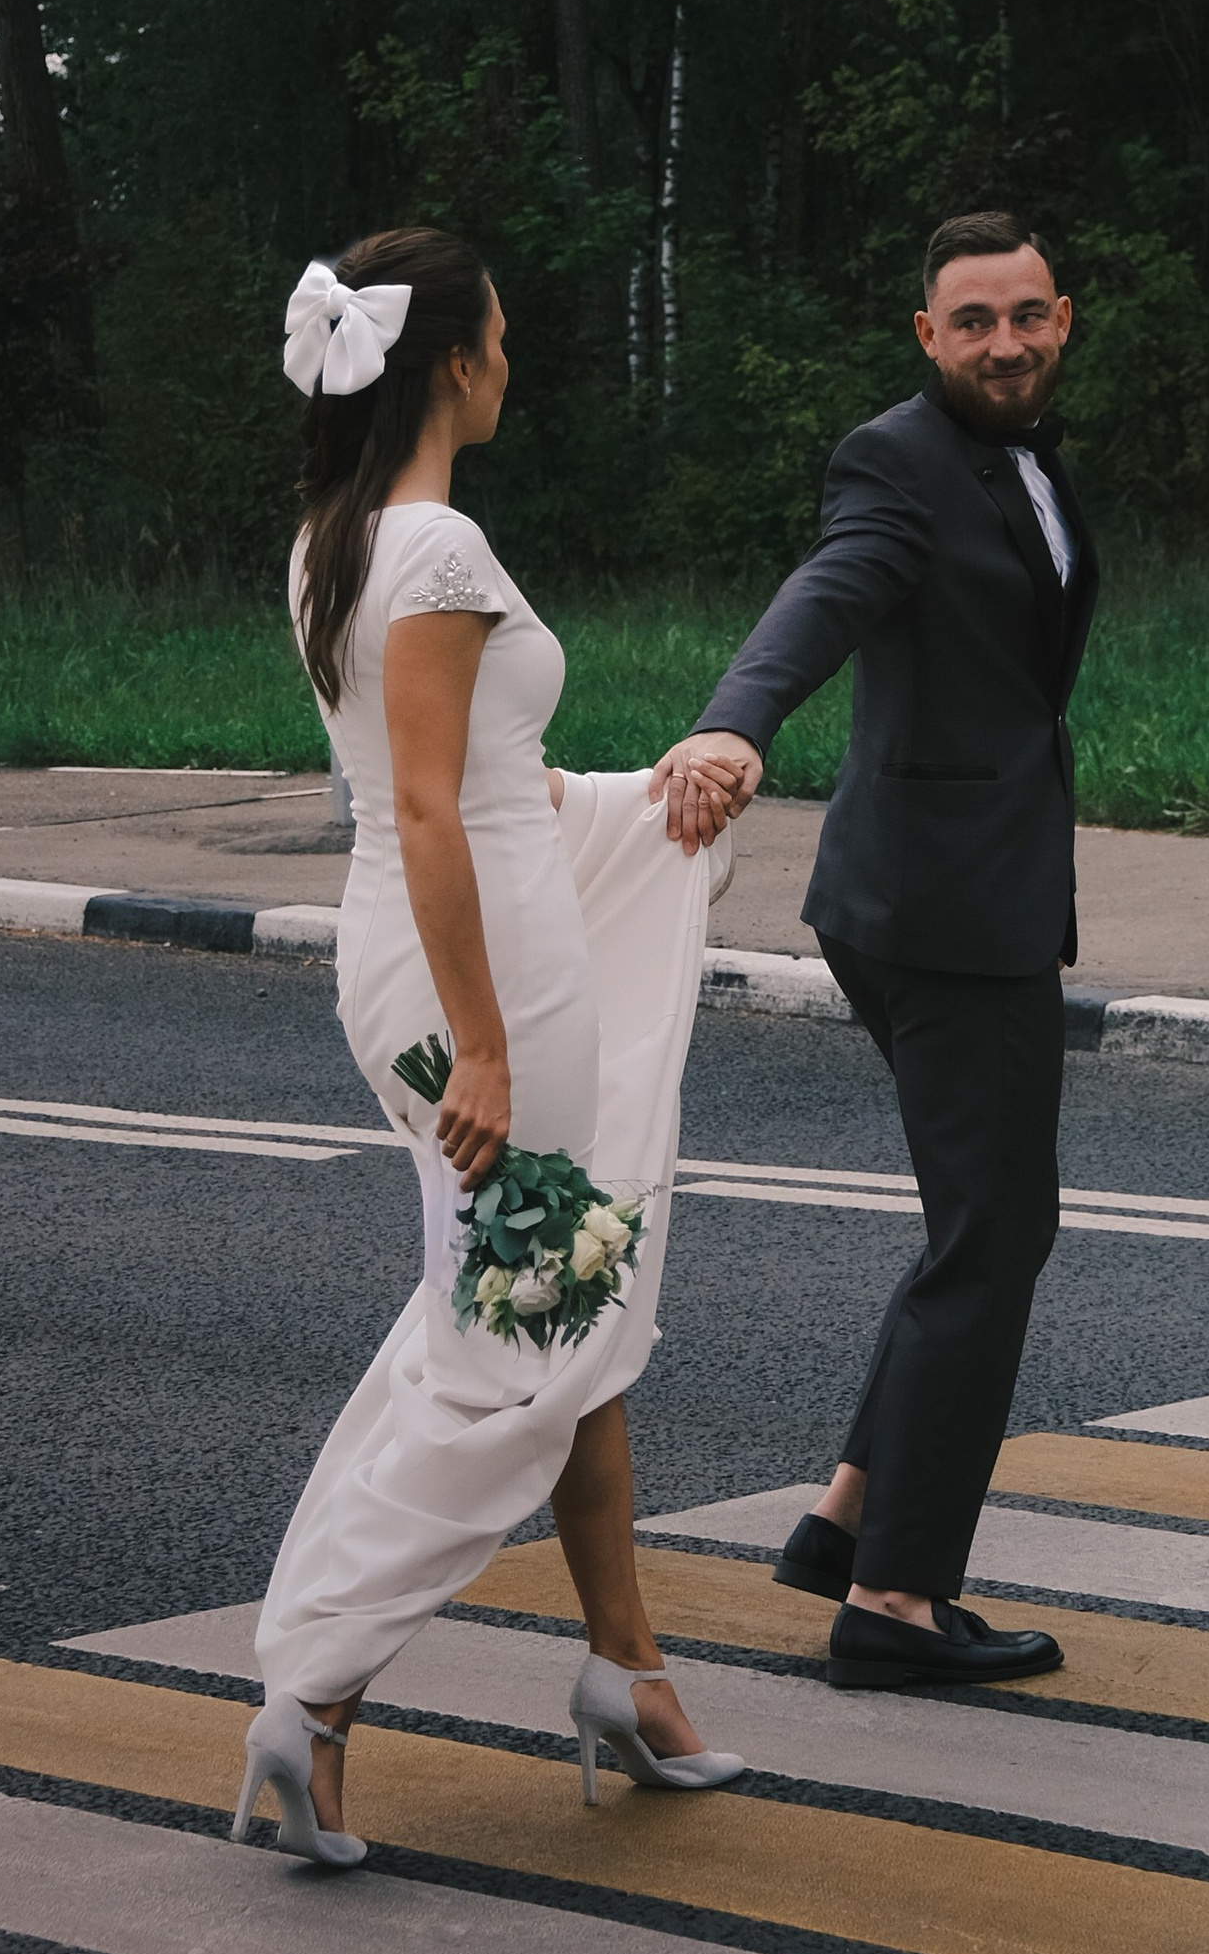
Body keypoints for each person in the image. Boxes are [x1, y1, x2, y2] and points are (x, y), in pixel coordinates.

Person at [237, 227, 743, 1864]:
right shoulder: (438, 547)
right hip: (485, 987)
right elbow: (438, 808)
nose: (516, 364)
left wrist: (645, 811)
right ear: (453, 360)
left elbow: (476, 793)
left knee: (557, 1312)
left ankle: (631, 1673)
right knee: (513, 1358)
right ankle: (311, 1702)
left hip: (444, 955)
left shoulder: (333, 542)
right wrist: (485, 1048)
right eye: (505, 340)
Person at [649, 210, 1098, 1691]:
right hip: (946, 915)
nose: (1006, 343)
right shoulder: (897, 459)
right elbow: (826, 595)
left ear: (1064, 320)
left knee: (981, 1227)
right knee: (992, 1241)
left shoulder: (1015, 457)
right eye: (974, 321)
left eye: (1027, 315)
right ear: (928, 336)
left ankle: (852, 1517)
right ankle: (897, 1602)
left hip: (949, 890)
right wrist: (735, 719)